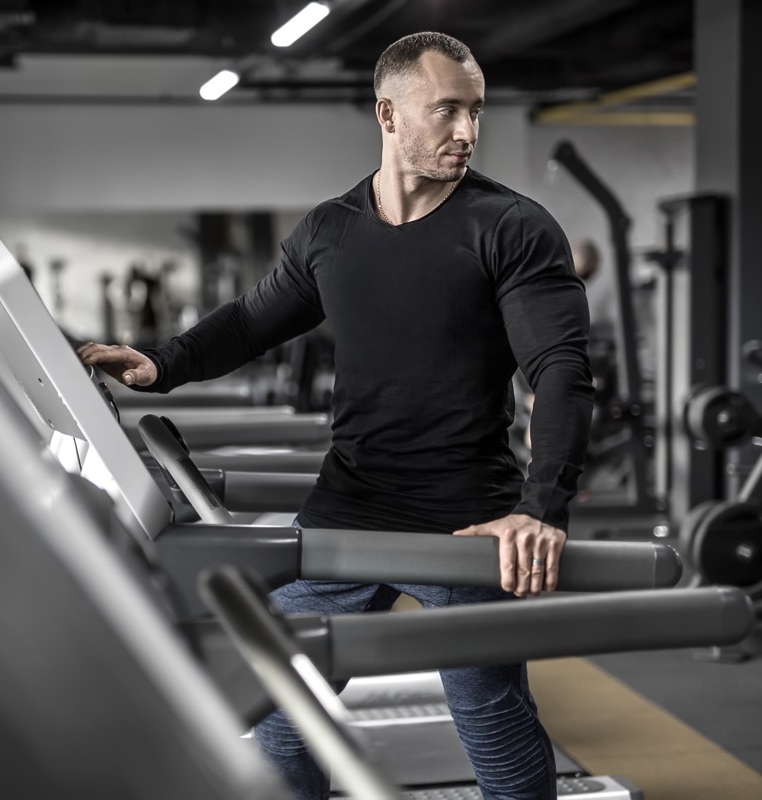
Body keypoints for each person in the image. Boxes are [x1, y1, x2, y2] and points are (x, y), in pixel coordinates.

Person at [78, 31, 593, 800]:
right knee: (280, 704)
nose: (468, 132)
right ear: (388, 113)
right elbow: (253, 321)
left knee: (487, 710)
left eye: (476, 112)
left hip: (466, 516)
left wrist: (540, 508)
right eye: (447, 110)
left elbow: (559, 369)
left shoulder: (511, 227)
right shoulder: (330, 231)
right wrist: (165, 365)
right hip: (351, 503)